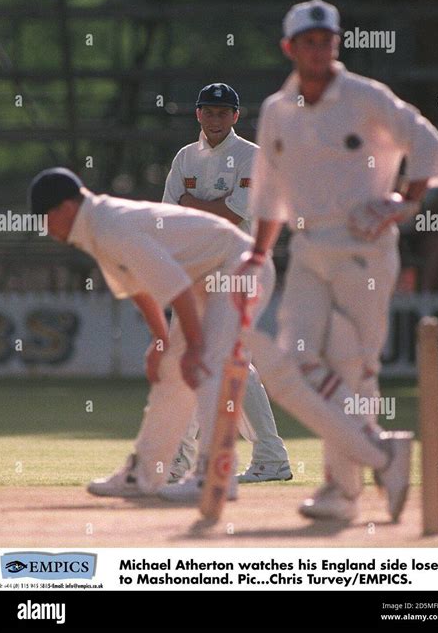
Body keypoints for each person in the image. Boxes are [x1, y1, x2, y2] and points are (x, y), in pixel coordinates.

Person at [28, 168, 415, 522]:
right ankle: (144, 473)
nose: (46, 230)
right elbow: (141, 288)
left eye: (46, 219)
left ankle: (214, 474)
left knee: (208, 363)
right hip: (206, 278)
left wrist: (193, 346)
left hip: (238, 267)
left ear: (65, 208)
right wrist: (163, 343)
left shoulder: (110, 225)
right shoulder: (97, 227)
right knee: (172, 370)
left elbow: (174, 284)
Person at [236, 0, 438, 521]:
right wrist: (257, 254)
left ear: (336, 43)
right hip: (307, 248)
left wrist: (404, 201)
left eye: (327, 40)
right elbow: (269, 193)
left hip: (363, 247)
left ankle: (341, 491)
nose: (319, 49)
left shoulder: (363, 96)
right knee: (292, 363)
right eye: (308, 42)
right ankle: (381, 452)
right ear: (290, 48)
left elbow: (426, 141)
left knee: (353, 365)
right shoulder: (278, 110)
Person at [162, 82, 291, 484]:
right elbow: (169, 216)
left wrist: (191, 205)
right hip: (196, 270)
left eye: (223, 113)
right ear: (198, 114)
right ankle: (182, 462)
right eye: (208, 111)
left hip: (238, 267)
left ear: (236, 116)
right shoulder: (185, 157)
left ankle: (268, 456)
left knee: (230, 359)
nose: (215, 119)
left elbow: (230, 217)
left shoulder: (252, 157)